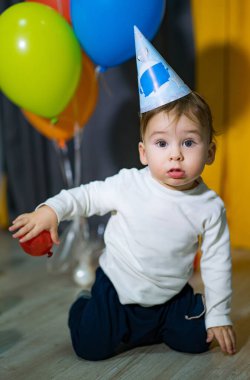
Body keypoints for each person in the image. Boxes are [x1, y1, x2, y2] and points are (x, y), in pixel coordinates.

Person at [9, 27, 236, 360]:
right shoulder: (129, 184)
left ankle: (166, 323)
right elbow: (84, 196)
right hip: (117, 289)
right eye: (162, 143)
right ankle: (84, 306)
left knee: (197, 340)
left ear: (210, 152)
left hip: (170, 296)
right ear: (144, 153)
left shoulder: (210, 207)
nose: (175, 154)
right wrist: (51, 210)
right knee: (91, 346)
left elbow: (217, 261)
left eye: (188, 142)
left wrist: (219, 314)